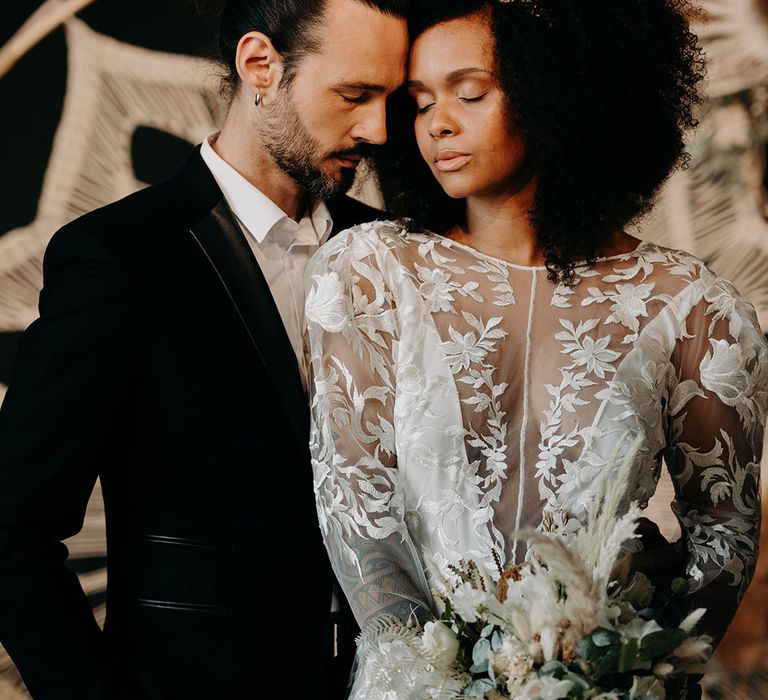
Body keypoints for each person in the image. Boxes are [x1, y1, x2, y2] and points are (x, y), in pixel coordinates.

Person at [304, 0, 767, 695]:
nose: (439, 123)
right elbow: (357, 509)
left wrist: (631, 667)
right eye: (421, 101)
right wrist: (436, 682)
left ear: (561, 91)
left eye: (470, 92)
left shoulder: (691, 305)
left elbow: (724, 527)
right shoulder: (370, 273)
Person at [0, 0, 407, 697]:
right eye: (354, 94)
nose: (378, 128)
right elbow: (11, 530)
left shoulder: (399, 249)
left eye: (392, 99)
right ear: (259, 66)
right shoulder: (118, 259)